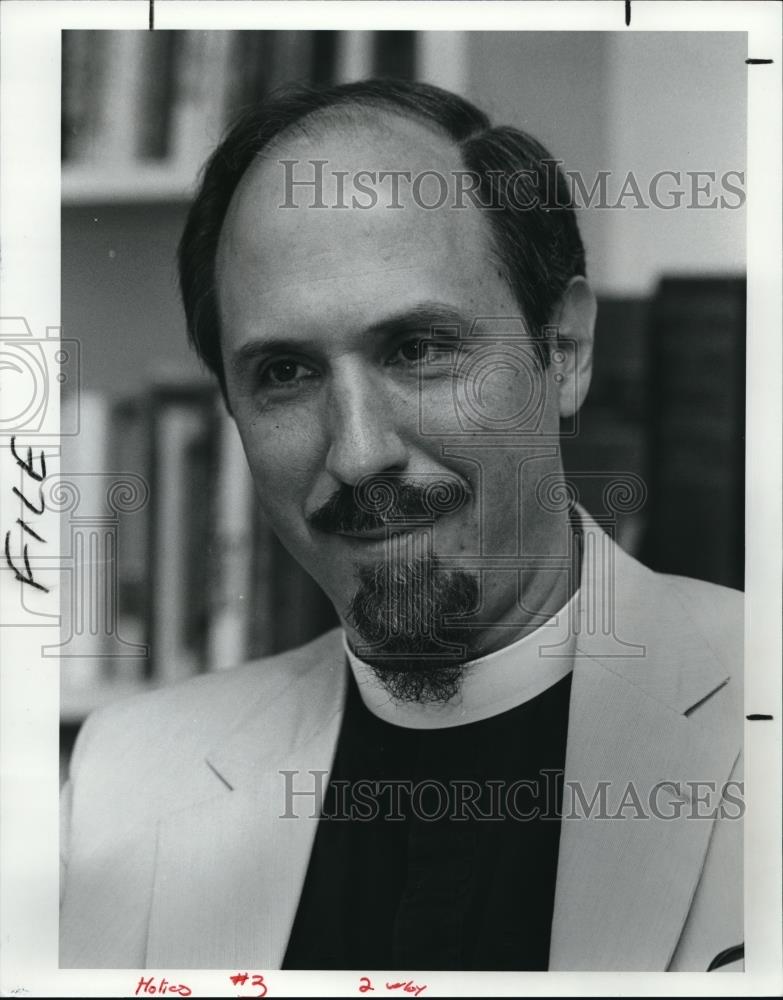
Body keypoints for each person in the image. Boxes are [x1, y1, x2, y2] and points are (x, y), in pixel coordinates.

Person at [59, 79, 743, 973]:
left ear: (564, 353)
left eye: (418, 350)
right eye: (285, 374)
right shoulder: (124, 782)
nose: (357, 453)